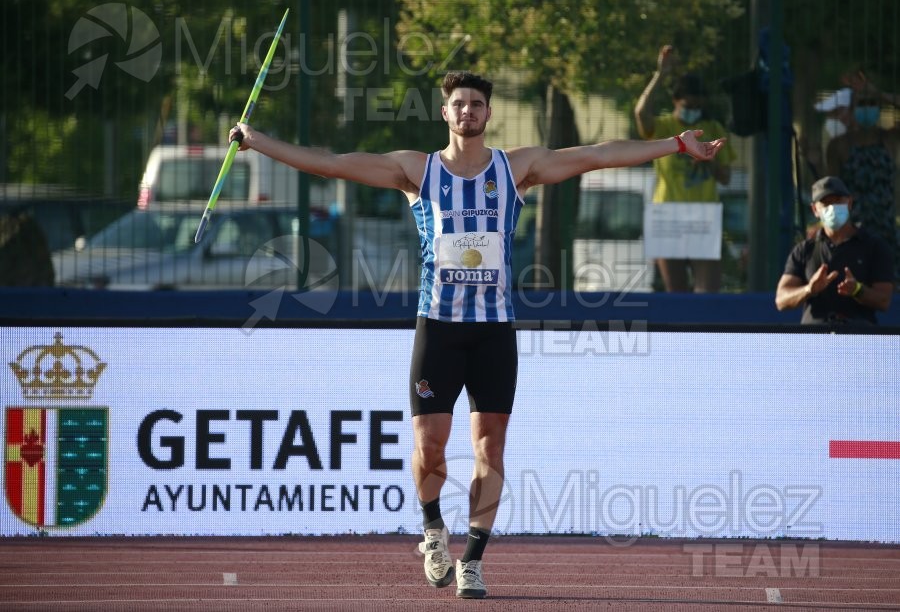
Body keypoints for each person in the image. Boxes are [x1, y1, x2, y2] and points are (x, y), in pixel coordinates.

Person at [229, 70, 725, 599]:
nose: (467, 111)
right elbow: (330, 164)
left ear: (489, 115)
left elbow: (598, 154)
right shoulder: (415, 170)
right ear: (445, 113)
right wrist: (257, 141)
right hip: (438, 328)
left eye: (476, 104)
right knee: (430, 448)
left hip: (493, 331)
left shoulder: (517, 168)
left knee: (490, 447)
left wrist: (674, 144)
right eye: (458, 104)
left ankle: (473, 558)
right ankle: (433, 528)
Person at [634, 44, 737, 293]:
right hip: (668, 215)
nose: (693, 111)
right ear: (676, 101)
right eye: (687, 105)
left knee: (708, 292)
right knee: (676, 293)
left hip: (703, 216)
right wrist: (660, 75)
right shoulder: (663, 127)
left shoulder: (712, 128)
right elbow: (640, 113)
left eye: (697, 106)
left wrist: (707, 159)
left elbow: (725, 178)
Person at [775, 176, 894, 325]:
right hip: (813, 342)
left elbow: (884, 300)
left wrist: (857, 290)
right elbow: (781, 300)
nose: (832, 208)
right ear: (815, 210)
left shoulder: (874, 247)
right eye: (825, 203)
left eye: (838, 201)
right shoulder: (804, 250)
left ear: (849, 203)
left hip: (859, 342)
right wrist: (809, 289)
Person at [826, 71, 900, 281]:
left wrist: (881, 94)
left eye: (871, 103)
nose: (867, 108)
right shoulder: (839, 146)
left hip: (885, 230)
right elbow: (831, 193)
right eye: (861, 103)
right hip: (853, 231)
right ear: (852, 109)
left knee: (886, 287)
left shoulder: (889, 140)